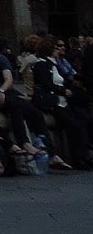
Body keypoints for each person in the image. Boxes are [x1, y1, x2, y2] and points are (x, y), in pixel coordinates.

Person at [30, 37, 85, 169]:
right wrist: (62, 90)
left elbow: (66, 78)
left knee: (83, 119)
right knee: (74, 125)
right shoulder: (41, 64)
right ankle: (79, 158)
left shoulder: (55, 64)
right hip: (53, 102)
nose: (59, 50)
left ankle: (84, 153)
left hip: (64, 101)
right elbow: (45, 84)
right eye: (56, 48)